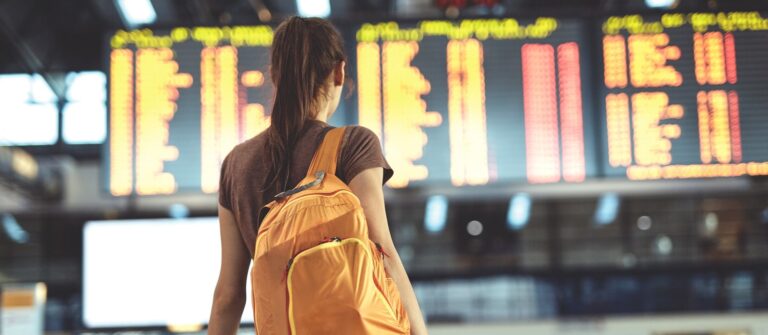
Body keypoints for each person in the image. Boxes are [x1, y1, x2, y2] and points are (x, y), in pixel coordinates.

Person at [207, 16, 428, 335]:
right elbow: (384, 253)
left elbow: (228, 296)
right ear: (339, 72)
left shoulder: (235, 165)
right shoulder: (353, 144)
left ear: (274, 76)